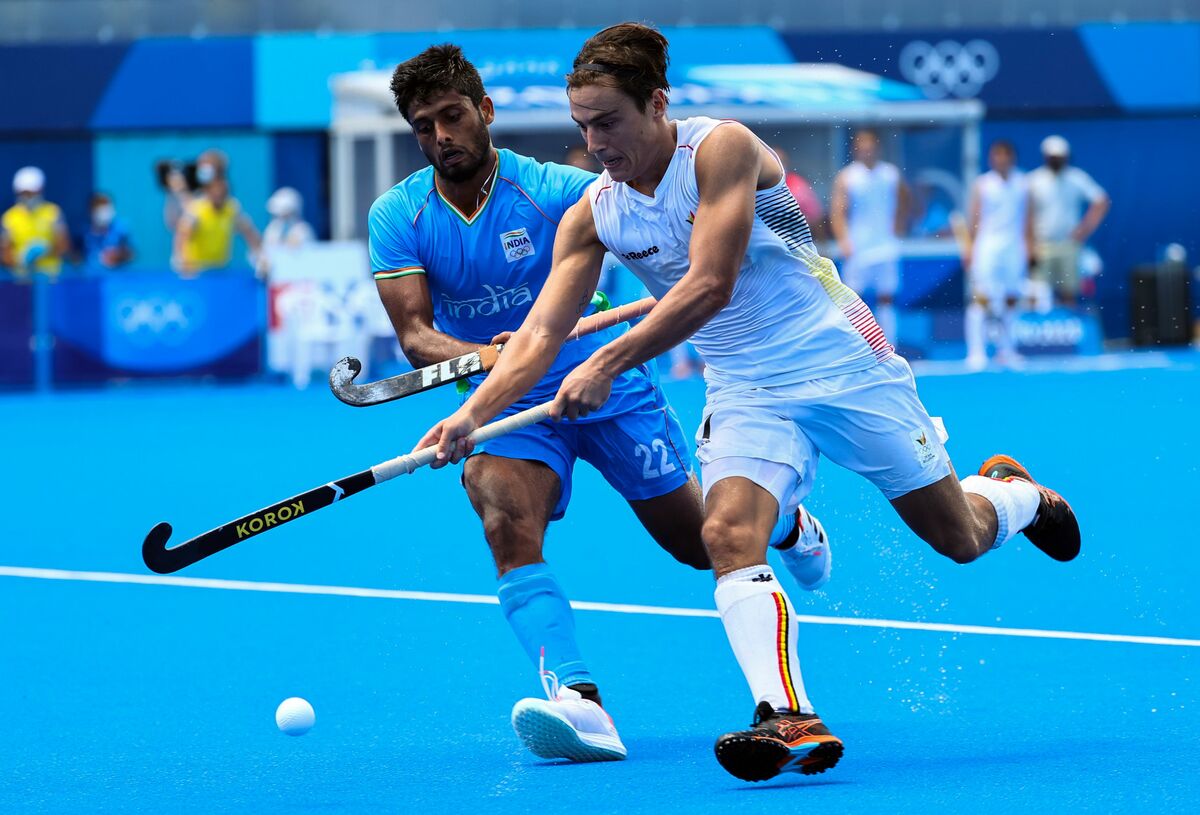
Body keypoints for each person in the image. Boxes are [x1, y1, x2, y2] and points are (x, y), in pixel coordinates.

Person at [416, 22, 1082, 783]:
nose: (595, 143)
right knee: (726, 531)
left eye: (608, 122)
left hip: (840, 360)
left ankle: (1013, 493)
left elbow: (710, 283)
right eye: (582, 125)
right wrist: (472, 415)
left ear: (657, 103)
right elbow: (538, 336)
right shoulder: (595, 213)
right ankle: (785, 713)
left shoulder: (721, 148)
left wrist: (608, 361)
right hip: (744, 385)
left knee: (958, 537)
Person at [375, 44, 833, 766]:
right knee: (502, 516)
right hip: (509, 404)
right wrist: (490, 358)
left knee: (700, 543)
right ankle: (578, 700)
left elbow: (673, 250)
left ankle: (788, 525)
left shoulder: (561, 191)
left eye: (453, 116)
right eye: (423, 126)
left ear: (485, 111)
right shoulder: (399, 214)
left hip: (606, 384)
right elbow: (415, 336)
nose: (441, 136)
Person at [831, 129, 908, 345]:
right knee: (854, 299)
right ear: (856, 150)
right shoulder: (847, 177)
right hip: (858, 247)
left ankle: (890, 346)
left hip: (886, 246)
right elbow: (838, 212)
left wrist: (899, 225)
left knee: (887, 298)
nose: (867, 152)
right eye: (862, 148)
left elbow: (905, 201)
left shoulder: (891, 174)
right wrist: (844, 240)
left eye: (870, 148)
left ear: (877, 148)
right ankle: (856, 347)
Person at [962, 141, 1033, 370]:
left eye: (1005, 155)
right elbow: (974, 218)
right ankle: (976, 352)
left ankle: (1008, 350)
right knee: (981, 298)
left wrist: (1030, 246)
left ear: (1012, 158)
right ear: (991, 159)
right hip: (987, 246)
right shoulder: (983, 184)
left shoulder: (1023, 183)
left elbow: (1028, 218)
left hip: (1014, 247)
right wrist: (970, 248)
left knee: (1011, 298)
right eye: (996, 155)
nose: (1001, 160)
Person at [1027, 135, 1109, 309]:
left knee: (1068, 294)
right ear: (1045, 157)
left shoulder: (1076, 178)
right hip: (1042, 245)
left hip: (1068, 244)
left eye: (1059, 157)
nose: (1056, 161)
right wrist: (1030, 244)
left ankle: (1068, 325)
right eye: (1053, 157)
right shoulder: (1034, 180)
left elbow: (1101, 201)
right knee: (1037, 295)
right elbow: (1027, 214)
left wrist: (1084, 229)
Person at [173, 175, 262, 276]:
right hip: (197, 270)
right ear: (207, 191)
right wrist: (183, 260)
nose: (219, 194)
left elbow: (248, 231)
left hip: (220, 269)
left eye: (223, 192)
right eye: (215, 191)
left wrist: (259, 254)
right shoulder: (196, 210)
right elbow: (182, 234)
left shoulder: (231, 209)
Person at [0, 166, 70, 279]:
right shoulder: (9, 218)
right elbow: (4, 254)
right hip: (21, 279)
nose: (28, 197)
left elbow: (64, 246)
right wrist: (20, 260)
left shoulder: (53, 212)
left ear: (40, 190)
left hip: (51, 278)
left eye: (31, 193)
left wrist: (47, 250)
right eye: (24, 193)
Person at [772, 145, 825, 240]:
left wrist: (821, 242)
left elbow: (815, 215)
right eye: (773, 162)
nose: (777, 166)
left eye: (780, 162)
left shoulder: (797, 184)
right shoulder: (756, 185)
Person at [82, 191, 134, 271]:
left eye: (106, 208)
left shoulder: (121, 229)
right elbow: (76, 257)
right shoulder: (84, 232)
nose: (104, 213)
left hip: (117, 275)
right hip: (91, 276)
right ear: (91, 211)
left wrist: (119, 255)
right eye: (99, 209)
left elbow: (131, 253)